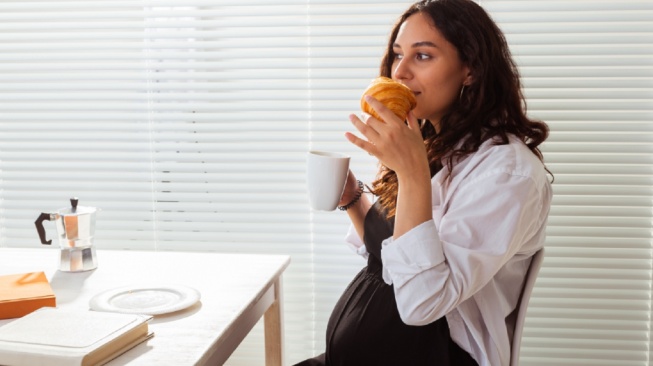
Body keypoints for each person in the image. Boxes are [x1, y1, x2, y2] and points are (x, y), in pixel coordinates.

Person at [296, 0, 552, 365]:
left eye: (423, 56)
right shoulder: (433, 146)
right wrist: (353, 198)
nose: (400, 71)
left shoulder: (506, 172)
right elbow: (389, 257)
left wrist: (412, 172)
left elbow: (422, 303)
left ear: (471, 69)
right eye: (398, 54)